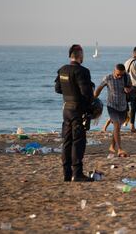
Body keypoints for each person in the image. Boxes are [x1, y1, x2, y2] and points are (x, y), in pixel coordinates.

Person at [55, 44, 95, 182]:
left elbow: (58, 89)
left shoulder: (62, 70)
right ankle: (77, 173)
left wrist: (70, 92)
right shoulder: (82, 71)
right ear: (79, 55)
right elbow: (87, 94)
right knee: (78, 142)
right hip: (77, 110)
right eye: (83, 55)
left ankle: (66, 173)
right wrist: (90, 110)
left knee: (67, 141)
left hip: (66, 109)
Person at [94, 64, 132, 157]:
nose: (120, 76)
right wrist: (93, 98)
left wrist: (129, 89)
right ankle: (119, 149)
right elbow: (99, 88)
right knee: (117, 125)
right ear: (114, 71)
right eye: (118, 74)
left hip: (123, 106)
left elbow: (131, 86)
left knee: (117, 127)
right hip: (112, 106)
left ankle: (112, 146)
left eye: (121, 75)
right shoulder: (108, 78)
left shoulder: (126, 76)